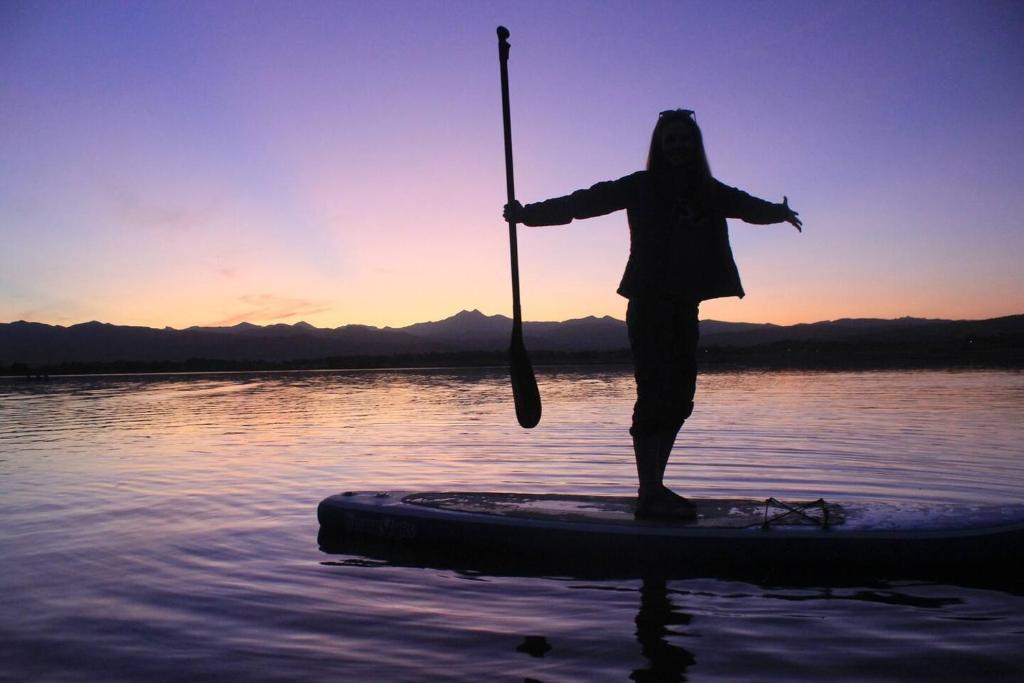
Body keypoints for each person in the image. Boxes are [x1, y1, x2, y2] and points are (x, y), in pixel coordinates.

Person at [504, 109, 802, 520]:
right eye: (670, 139)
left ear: (695, 146)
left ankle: (655, 486)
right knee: (653, 396)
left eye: (684, 139)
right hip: (647, 304)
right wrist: (528, 215)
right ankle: (649, 492)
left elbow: (748, 206)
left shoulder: (709, 191)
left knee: (680, 401)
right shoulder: (641, 186)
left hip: (685, 307)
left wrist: (780, 212)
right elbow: (584, 203)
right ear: (660, 147)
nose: (677, 146)